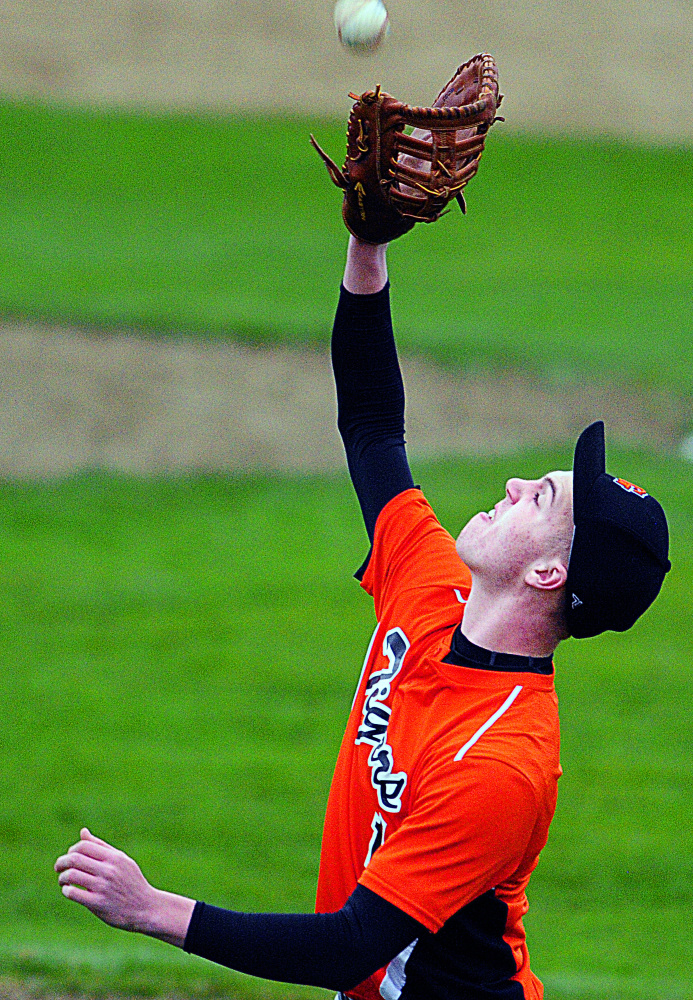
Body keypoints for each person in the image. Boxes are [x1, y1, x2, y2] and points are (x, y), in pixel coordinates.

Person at [54, 235, 670, 1000]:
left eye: (539, 498)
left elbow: (352, 946)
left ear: (548, 573)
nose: (513, 483)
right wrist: (366, 251)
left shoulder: (500, 766)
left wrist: (154, 911)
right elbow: (373, 425)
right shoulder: (431, 584)